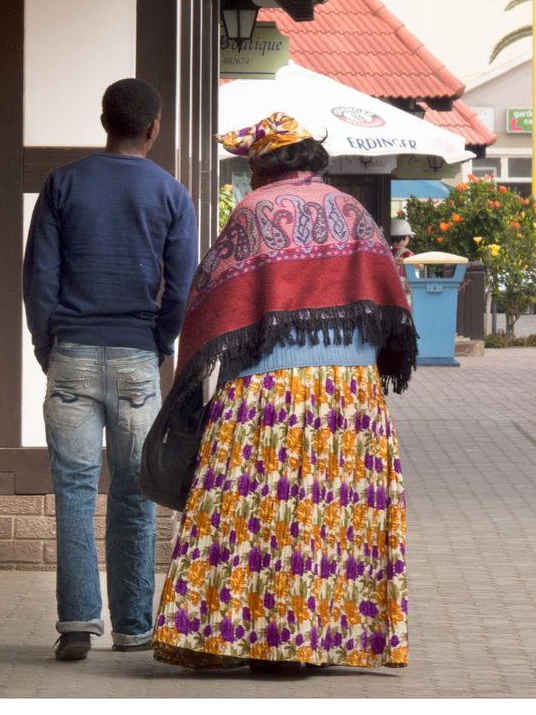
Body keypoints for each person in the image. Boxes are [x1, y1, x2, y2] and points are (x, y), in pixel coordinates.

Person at [149, 112, 417, 673]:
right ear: (314, 161)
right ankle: (317, 640)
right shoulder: (353, 211)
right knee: (333, 517)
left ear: (261, 167)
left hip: (271, 389)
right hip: (349, 397)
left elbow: (212, 297)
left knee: (253, 509)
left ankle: (240, 636)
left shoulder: (253, 211)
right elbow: (394, 305)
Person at [23, 78, 198, 660]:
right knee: (133, 493)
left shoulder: (62, 183)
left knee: (73, 491)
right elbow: (182, 287)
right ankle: (133, 628)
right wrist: (156, 343)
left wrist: (49, 346)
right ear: (154, 128)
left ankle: (76, 623)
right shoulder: (171, 193)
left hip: (71, 352)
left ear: (104, 121)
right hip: (135, 360)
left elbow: (39, 278)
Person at [390, 217, 415, 299]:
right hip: (405, 285)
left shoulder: (387, 252)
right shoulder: (408, 253)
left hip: (392, 283)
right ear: (405, 238)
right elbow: (417, 266)